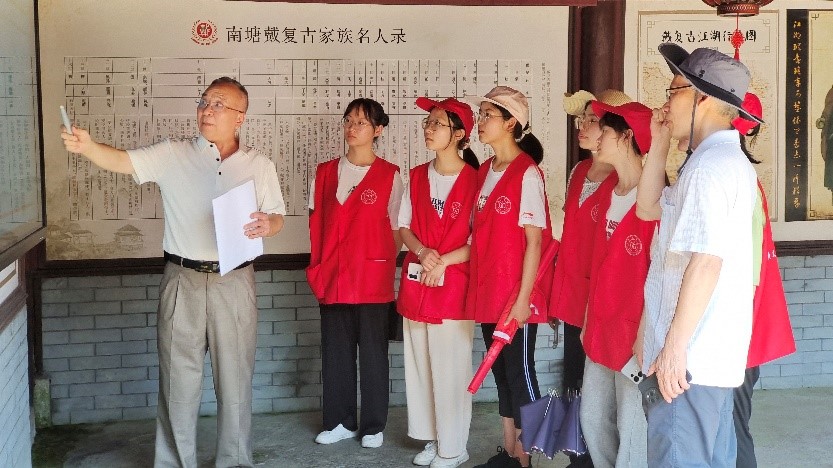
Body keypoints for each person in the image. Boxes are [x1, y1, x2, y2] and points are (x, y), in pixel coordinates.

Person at [61, 76, 286, 468]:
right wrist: (89, 147)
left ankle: (234, 461)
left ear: (240, 117)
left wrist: (269, 225)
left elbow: (278, 216)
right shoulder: (173, 153)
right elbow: (124, 161)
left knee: (235, 382)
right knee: (177, 383)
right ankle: (174, 463)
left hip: (235, 282)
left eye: (219, 104)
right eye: (204, 102)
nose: (207, 110)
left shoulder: (259, 164)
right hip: (182, 279)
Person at [634, 44, 761, 467]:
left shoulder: (709, 168)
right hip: (705, 362)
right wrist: (660, 142)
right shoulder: (715, 160)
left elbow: (706, 262)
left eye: (674, 91)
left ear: (702, 98)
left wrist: (673, 349)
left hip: (689, 364)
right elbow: (648, 208)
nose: (666, 102)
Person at [306, 98, 403, 449]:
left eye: (361, 122)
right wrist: (319, 267)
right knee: (336, 352)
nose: (352, 127)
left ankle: (373, 426)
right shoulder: (325, 172)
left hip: (372, 279)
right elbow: (316, 224)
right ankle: (339, 421)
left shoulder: (390, 175)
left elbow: (397, 229)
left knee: (374, 355)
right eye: (348, 120)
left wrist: (378, 261)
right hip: (332, 277)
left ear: (378, 130)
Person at [465, 86, 554, 468]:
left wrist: (522, 301)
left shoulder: (527, 173)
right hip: (489, 292)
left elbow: (535, 242)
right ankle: (510, 453)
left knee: (521, 374)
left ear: (511, 123)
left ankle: (528, 457)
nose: (480, 122)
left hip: (516, 297)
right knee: (501, 373)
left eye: (488, 115)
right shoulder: (484, 171)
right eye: (480, 114)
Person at [397, 97, 479, 468]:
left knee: (451, 367)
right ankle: (432, 438)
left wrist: (443, 259)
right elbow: (404, 227)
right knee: (420, 365)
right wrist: (421, 251)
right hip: (418, 281)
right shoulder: (416, 176)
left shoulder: (476, 181)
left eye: (437, 124)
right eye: (427, 123)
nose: (428, 130)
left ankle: (454, 446)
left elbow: (480, 240)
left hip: (454, 285)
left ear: (459, 134)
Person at [578, 100, 655, 468]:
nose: (597, 137)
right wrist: (587, 317)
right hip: (601, 325)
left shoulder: (655, 199)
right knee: (592, 417)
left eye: (605, 131)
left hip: (633, 333)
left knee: (631, 423)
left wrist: (645, 333)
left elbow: (660, 276)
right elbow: (597, 264)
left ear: (626, 137)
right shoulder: (608, 191)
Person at [730, 93, 796, 468]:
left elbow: (744, 272)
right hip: (741, 328)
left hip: (738, 331)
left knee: (732, 426)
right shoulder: (741, 176)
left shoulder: (736, 179)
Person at [552, 89, 632, 392]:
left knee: (598, 377)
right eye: (581, 120)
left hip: (602, 294)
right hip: (572, 290)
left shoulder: (625, 179)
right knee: (572, 374)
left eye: (592, 121)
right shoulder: (580, 170)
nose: (583, 127)